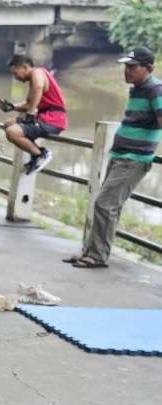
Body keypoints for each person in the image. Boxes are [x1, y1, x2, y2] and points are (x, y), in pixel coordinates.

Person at [69, 47, 162, 269]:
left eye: (132, 67)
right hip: (120, 155)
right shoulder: (137, 89)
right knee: (107, 205)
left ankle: (98, 256)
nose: (127, 71)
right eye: (125, 67)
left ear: (148, 68)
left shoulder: (155, 90)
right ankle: (91, 251)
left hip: (134, 159)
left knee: (105, 203)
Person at [1, 53, 67, 174]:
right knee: (7, 124)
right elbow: (29, 104)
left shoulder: (37, 72)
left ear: (26, 67)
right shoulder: (34, 81)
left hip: (53, 119)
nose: (15, 77)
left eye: (15, 73)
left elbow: (38, 87)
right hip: (43, 117)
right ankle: (35, 152)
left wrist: (31, 113)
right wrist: (11, 107)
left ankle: (40, 154)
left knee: (12, 132)